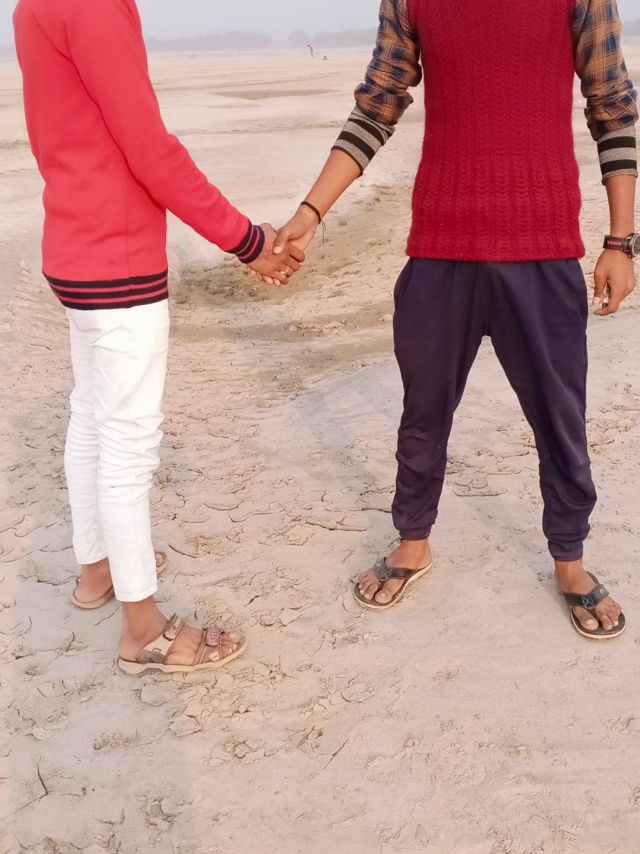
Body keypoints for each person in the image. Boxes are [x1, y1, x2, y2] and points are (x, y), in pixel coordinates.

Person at [274, 0, 638, 639]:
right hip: (440, 248)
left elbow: (611, 106)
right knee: (423, 412)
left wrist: (620, 241)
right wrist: (310, 214)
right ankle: (413, 540)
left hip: (542, 247)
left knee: (560, 417)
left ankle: (570, 559)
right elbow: (378, 103)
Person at [13, 0, 304, 675]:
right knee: (128, 444)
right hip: (114, 259)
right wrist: (247, 241)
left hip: (73, 249)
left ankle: (97, 571)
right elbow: (151, 151)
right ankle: (142, 628)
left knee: (92, 416)